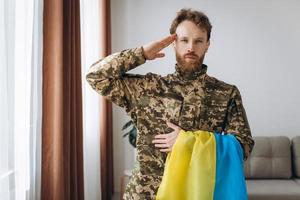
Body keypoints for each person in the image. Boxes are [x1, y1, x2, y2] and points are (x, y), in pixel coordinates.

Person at [86, 8, 254, 200]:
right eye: (184, 40)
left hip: (194, 193)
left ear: (207, 45)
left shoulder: (226, 93)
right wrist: (141, 53)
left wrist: (188, 142)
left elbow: (244, 145)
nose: (191, 47)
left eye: (198, 41)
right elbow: (96, 76)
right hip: (145, 194)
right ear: (173, 43)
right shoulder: (147, 87)